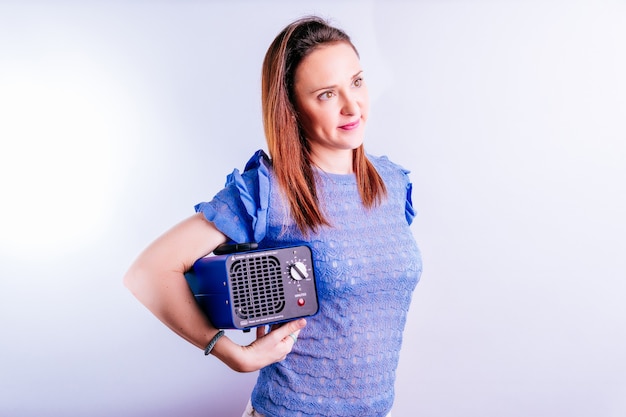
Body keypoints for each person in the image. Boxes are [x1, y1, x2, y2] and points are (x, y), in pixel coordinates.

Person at [124, 15, 422, 417]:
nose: (352, 106)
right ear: (293, 107)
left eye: (356, 81)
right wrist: (232, 353)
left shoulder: (392, 182)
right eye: (326, 94)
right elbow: (149, 272)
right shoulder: (270, 192)